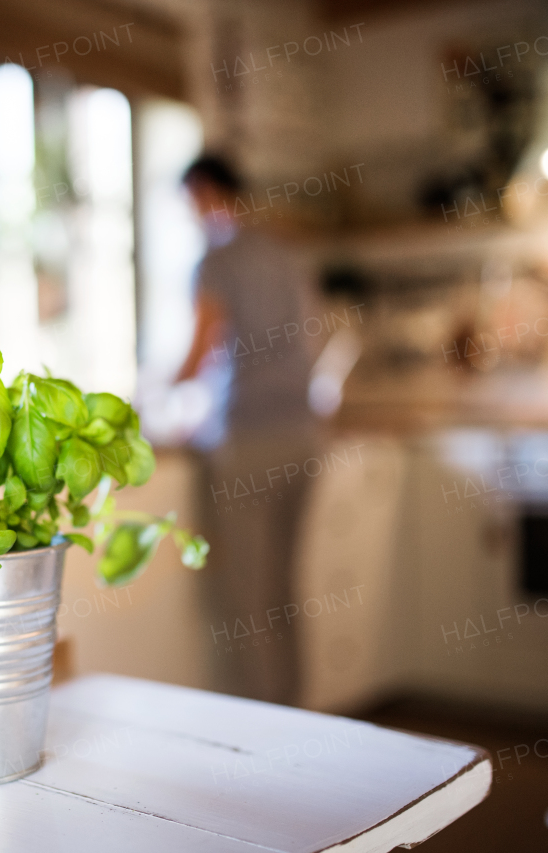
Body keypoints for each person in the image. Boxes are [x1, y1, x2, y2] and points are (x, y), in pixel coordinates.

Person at [177, 154, 323, 705]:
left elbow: (201, 350)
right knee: (284, 592)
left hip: (248, 438)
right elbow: (315, 337)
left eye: (190, 201)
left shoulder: (218, 259)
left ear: (205, 191)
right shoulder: (287, 254)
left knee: (246, 599)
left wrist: (145, 394)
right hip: (303, 434)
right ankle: (299, 712)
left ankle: (266, 730)